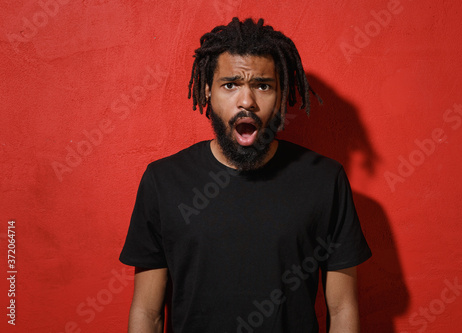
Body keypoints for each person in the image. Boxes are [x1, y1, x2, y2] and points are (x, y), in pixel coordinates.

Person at [119, 17, 371, 333]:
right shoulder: (164, 181)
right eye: (231, 84)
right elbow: (147, 312)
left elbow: (343, 308)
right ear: (208, 91)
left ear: (280, 96)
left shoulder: (325, 180)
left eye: (262, 85)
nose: (247, 101)